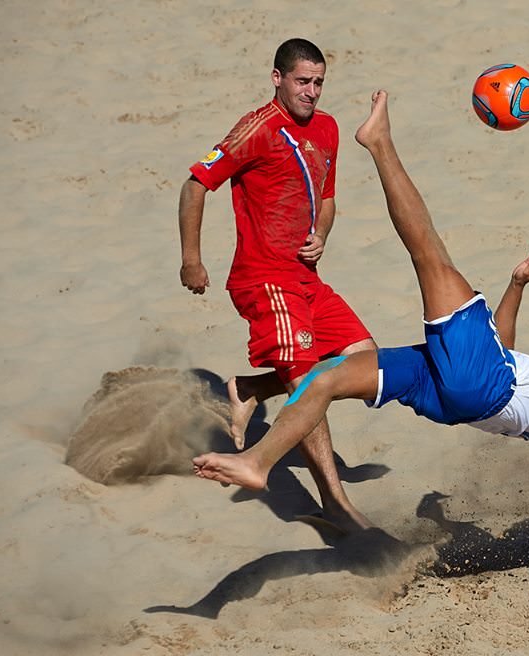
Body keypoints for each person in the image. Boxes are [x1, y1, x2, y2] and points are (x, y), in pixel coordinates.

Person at [193, 91, 529, 527]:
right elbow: (501, 348)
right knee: (327, 377)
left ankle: (379, 143)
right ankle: (257, 461)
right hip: (461, 400)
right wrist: (516, 285)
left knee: (430, 254)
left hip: (485, 386)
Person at [178, 38, 376, 530]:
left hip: (306, 275)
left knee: (365, 359)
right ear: (278, 79)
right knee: (309, 386)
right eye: (303, 81)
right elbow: (196, 183)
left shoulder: (326, 128)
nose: (312, 91)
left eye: (319, 82)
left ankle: (250, 388)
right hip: (264, 278)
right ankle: (336, 504)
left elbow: (327, 199)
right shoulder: (259, 127)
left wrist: (321, 234)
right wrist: (191, 260)